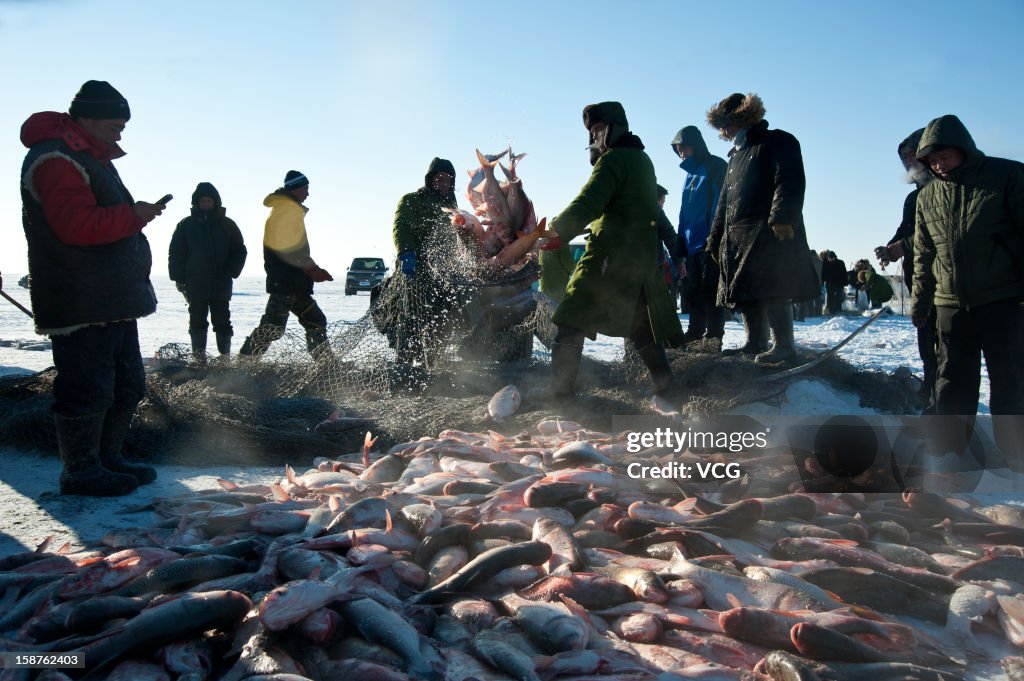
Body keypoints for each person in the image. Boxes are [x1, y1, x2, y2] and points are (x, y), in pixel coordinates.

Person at [20, 80, 163, 496]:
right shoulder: (56, 160)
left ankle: (107, 459)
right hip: (80, 298)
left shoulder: (90, 157)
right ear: (87, 118)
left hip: (113, 297)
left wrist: (134, 216)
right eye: (116, 121)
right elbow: (75, 226)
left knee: (126, 384)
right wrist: (134, 215)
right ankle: (80, 471)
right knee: (88, 387)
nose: (121, 130)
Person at [538, 101, 678, 398]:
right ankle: (666, 385)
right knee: (641, 325)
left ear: (616, 128)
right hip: (637, 258)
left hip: (608, 257)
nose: (596, 136)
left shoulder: (614, 160)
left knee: (571, 315)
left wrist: (558, 231)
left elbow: (589, 201)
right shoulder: (643, 160)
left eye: (601, 129)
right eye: (592, 131)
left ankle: (559, 392)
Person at [911, 114, 1024, 469]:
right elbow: (923, 255)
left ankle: (1017, 454)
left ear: (963, 150)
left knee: (1011, 379)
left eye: (944, 157)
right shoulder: (927, 197)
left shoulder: (1007, 176)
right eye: (932, 161)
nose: (939, 166)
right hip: (951, 304)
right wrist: (920, 302)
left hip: (1003, 298)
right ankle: (948, 453)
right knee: (952, 381)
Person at [706, 93, 818, 363]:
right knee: (746, 289)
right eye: (721, 125)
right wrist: (715, 237)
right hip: (738, 235)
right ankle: (755, 342)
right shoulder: (735, 158)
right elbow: (724, 202)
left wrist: (782, 217)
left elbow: (789, 180)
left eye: (728, 123)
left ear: (745, 119)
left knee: (773, 286)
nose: (724, 130)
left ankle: (784, 346)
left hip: (767, 230)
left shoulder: (778, 141)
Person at [238, 171, 333, 358]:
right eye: (305, 189)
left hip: (295, 281)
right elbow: (291, 250)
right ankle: (245, 360)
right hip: (285, 281)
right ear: (295, 189)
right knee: (273, 326)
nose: (307, 194)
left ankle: (326, 366)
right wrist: (313, 270)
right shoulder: (285, 213)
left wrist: (311, 271)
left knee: (315, 320)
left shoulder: (288, 211)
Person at [875, 128, 937, 411]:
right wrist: (889, 249)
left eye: (913, 156)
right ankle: (931, 388)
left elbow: (938, 234)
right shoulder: (913, 199)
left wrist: (906, 246)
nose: (909, 164)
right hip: (919, 281)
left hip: (944, 281)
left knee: (947, 345)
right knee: (926, 340)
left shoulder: (945, 190)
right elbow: (905, 232)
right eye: (904, 160)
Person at [390, 157, 469, 373]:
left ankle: (431, 364)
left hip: (443, 273)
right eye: (439, 177)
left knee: (440, 318)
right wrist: (406, 251)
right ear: (430, 179)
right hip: (415, 271)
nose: (443, 182)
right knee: (412, 317)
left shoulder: (452, 207)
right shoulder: (412, 200)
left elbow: (456, 239)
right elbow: (401, 226)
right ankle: (404, 365)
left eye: (448, 179)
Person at [168, 182, 247, 361]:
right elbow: (176, 253)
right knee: (197, 321)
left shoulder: (227, 225)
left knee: (222, 321)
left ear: (215, 202)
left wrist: (232, 271)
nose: (205, 204)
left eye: (208, 201)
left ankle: (225, 357)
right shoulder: (185, 225)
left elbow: (240, 250)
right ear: (197, 202)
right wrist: (178, 278)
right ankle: (199, 357)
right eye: (202, 201)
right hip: (195, 283)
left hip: (221, 283)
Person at [670, 125, 727, 347]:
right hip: (692, 244)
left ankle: (713, 336)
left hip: (710, 242)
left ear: (695, 144)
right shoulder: (689, 176)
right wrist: (680, 244)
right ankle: (695, 332)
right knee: (692, 291)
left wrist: (715, 235)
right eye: (678, 149)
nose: (681, 153)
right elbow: (684, 211)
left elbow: (719, 205)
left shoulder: (715, 166)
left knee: (710, 290)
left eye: (683, 147)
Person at [821, 250, 848, 315]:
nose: (830, 259)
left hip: (838, 283)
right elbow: (823, 274)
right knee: (830, 297)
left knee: (837, 297)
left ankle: (837, 310)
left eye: (831, 258)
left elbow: (844, 273)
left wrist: (844, 282)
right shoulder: (826, 263)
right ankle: (831, 310)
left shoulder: (839, 263)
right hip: (831, 283)